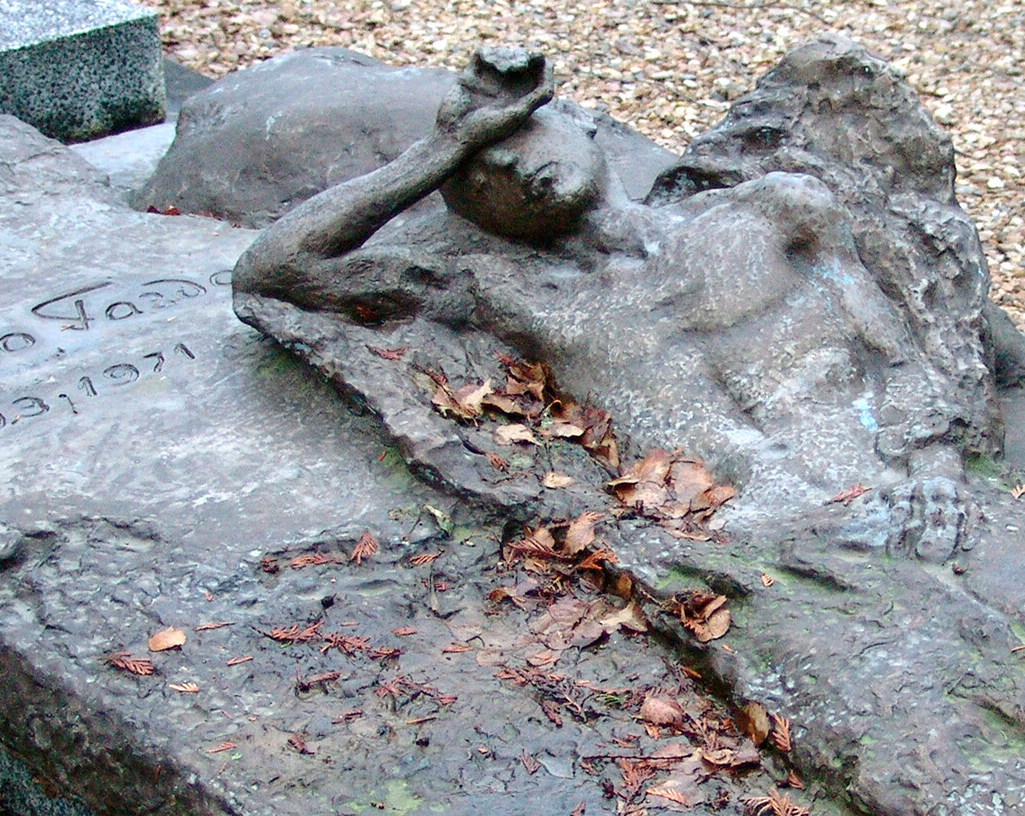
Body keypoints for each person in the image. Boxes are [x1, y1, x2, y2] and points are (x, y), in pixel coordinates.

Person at [233, 45, 984, 558]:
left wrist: (938, 464)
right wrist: (441, 149)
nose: (504, 167)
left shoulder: (775, 211)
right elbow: (274, 270)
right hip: (755, 541)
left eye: (516, 138)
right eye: (478, 174)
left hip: (901, 493)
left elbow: (895, 349)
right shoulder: (516, 300)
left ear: (584, 121)